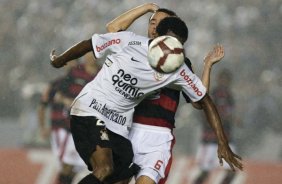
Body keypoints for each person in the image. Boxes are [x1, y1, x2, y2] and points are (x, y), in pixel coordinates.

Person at [50, 16, 242, 184]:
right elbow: (90, 44)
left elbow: (204, 101)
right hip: (91, 109)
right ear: (158, 35)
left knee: (123, 168)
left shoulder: (178, 68)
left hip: (118, 126)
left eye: (179, 46)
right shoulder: (130, 41)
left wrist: (222, 142)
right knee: (105, 169)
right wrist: (60, 60)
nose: (174, 50)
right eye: (171, 42)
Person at [106, 4, 237, 184]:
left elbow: (199, 102)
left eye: (159, 23)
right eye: (152, 21)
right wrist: (145, 8)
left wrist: (207, 66)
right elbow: (113, 29)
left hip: (158, 136)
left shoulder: (179, 63)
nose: (154, 26)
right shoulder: (134, 47)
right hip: (127, 129)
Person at [38, 54, 99, 184]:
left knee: (78, 168)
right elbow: (50, 100)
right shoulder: (69, 76)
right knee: (67, 165)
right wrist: (43, 127)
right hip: (64, 128)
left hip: (88, 128)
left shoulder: (102, 72)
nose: (90, 57)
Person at [193, 69, 238, 184]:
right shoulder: (212, 94)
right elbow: (205, 113)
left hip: (225, 138)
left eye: (227, 81)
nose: (224, 83)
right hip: (210, 139)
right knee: (205, 171)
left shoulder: (230, 96)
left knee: (232, 171)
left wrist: (233, 119)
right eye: (222, 80)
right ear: (218, 80)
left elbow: (230, 114)